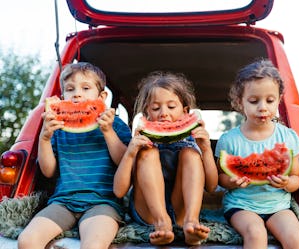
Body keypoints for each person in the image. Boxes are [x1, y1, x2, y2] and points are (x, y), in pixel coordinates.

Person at [18, 62, 132, 249]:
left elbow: (124, 163)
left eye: (85, 88)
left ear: (101, 97)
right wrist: (44, 138)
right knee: (26, 241)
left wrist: (108, 132)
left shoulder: (116, 124)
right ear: (62, 98)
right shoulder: (58, 129)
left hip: (102, 203)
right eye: (70, 89)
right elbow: (48, 172)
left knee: (93, 246)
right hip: (63, 202)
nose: (77, 93)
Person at [113, 71, 218, 246]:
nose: (163, 113)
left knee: (190, 153)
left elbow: (212, 186)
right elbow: (119, 191)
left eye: (171, 107)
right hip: (148, 212)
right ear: (146, 114)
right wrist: (131, 152)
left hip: (181, 211)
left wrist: (205, 149)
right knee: (149, 152)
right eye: (155, 108)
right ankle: (162, 222)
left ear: (185, 112)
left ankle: (191, 222)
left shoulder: (193, 142)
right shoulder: (140, 142)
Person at [215, 59, 299, 249]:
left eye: (270, 100)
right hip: (240, 205)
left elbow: (296, 178)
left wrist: (287, 183)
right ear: (240, 102)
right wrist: (231, 182)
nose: (262, 107)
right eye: (254, 101)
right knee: (256, 235)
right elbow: (221, 178)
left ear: (279, 100)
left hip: (278, 206)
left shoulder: (288, 137)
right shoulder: (229, 139)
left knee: (295, 239)